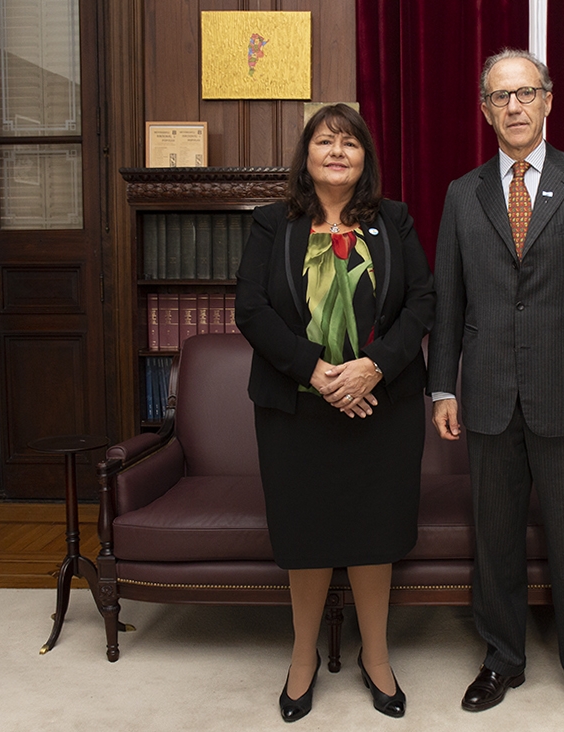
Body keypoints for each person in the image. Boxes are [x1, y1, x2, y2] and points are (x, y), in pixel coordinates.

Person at [426, 49, 564, 722]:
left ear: (549, 101)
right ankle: (501, 659)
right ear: (485, 110)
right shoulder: (462, 195)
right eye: (501, 97)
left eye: (526, 93)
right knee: (494, 539)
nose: (514, 107)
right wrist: (443, 389)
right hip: (489, 396)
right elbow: (447, 307)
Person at [235, 103, 435, 723]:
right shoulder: (273, 224)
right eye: (325, 142)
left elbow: (423, 301)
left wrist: (373, 365)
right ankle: (302, 660)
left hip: (382, 406)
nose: (338, 152)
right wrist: (315, 370)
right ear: (307, 156)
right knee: (308, 538)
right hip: (298, 412)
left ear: (365, 159)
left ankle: (377, 657)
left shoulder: (394, 220)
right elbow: (252, 308)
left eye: (350, 143)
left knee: (375, 535)